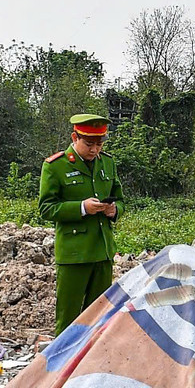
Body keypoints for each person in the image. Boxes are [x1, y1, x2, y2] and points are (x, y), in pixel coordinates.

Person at [38, 112, 125, 335]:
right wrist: (82, 208)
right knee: (68, 318)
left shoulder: (107, 162)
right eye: (89, 144)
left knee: (99, 316)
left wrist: (114, 210)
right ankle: (61, 366)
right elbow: (46, 208)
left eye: (99, 144)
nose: (95, 150)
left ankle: (89, 365)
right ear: (74, 138)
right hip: (74, 254)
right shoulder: (55, 166)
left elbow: (121, 199)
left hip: (103, 251)